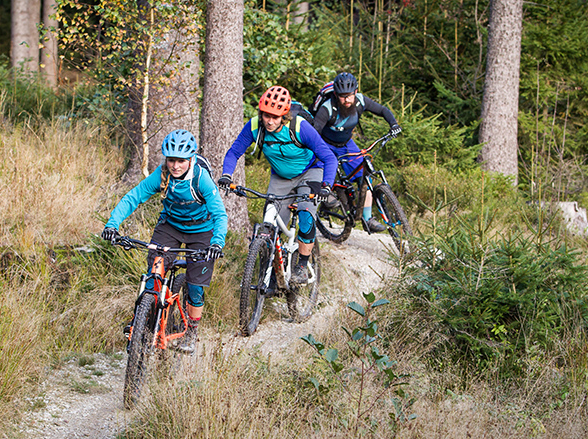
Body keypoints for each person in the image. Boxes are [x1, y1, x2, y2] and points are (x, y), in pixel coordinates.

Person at [101, 129, 227, 354]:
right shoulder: (162, 174)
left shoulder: (201, 179)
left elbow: (219, 214)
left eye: (181, 161)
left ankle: (191, 332)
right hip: (170, 226)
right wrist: (112, 224)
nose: (175, 166)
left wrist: (217, 243)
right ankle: (144, 323)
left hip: (202, 231)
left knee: (195, 286)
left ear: (191, 159)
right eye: (171, 160)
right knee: (155, 273)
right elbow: (133, 197)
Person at [218, 86, 339, 286]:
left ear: (284, 115)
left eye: (275, 117)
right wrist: (226, 175)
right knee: (270, 224)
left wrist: (326, 186)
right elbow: (234, 152)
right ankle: (273, 274)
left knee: (306, 214)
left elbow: (329, 158)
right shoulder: (255, 126)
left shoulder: (299, 127)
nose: (270, 121)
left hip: (310, 172)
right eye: (266, 115)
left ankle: (302, 265)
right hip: (280, 177)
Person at [311, 72, 402, 233]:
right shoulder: (327, 108)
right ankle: (327, 195)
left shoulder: (360, 101)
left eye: (350, 95)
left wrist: (393, 124)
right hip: (326, 144)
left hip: (346, 144)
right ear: (336, 95)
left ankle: (367, 219)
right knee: (320, 169)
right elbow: (314, 132)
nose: (347, 100)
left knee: (364, 177)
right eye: (342, 96)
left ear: (355, 92)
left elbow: (382, 110)